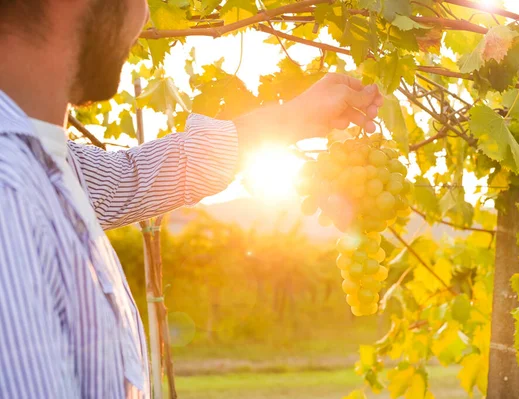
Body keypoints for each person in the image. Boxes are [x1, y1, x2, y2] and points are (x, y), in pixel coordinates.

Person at [0, 1, 383, 397]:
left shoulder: (44, 162)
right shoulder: (9, 193)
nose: (146, 15)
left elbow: (133, 177)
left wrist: (293, 119)